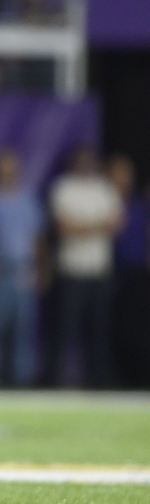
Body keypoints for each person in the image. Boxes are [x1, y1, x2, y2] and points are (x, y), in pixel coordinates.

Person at [49, 147, 122, 386]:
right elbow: (64, 229)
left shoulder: (104, 188)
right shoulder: (64, 187)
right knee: (64, 332)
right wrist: (98, 226)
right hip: (73, 272)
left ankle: (99, 382)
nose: (85, 164)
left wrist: (82, 227)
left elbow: (117, 224)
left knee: (99, 333)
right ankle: (57, 382)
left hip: (99, 272)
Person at [0, 148, 45, 386]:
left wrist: (42, 268)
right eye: (3, 169)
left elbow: (37, 237)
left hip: (23, 269)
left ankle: (21, 380)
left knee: (23, 330)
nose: (7, 174)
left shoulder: (27, 199)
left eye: (11, 169)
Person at [106, 155, 150, 387]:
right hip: (110, 273)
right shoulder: (102, 201)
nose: (124, 179)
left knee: (139, 329)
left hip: (138, 274)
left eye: (127, 174)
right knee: (112, 328)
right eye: (119, 173)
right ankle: (115, 377)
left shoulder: (137, 205)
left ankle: (139, 376)